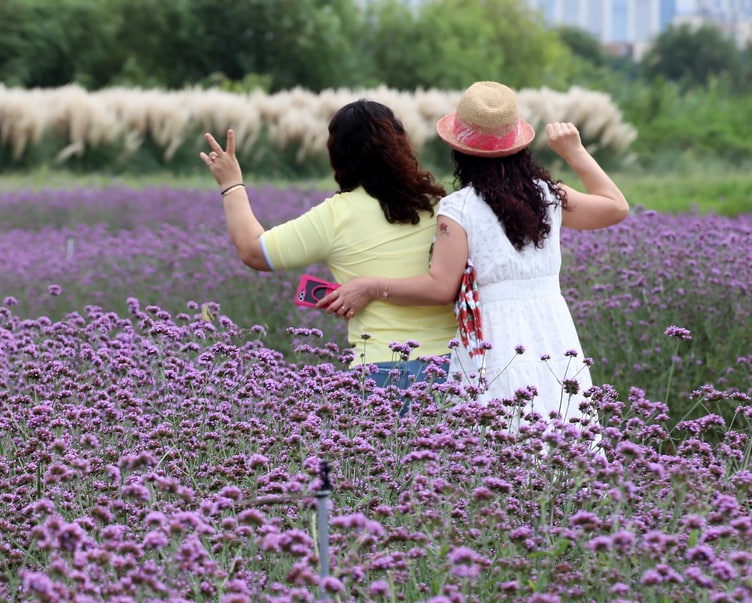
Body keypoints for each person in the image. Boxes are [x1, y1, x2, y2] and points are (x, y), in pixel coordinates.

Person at [320, 81, 629, 426]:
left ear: (460, 149)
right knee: (560, 425)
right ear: (519, 144)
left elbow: (441, 288)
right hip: (552, 330)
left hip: (494, 337)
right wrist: (574, 151)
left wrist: (372, 286)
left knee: (501, 438)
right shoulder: (547, 196)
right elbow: (615, 207)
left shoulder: (459, 208)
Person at [201, 100, 456, 394]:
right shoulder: (443, 208)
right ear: (402, 144)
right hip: (453, 370)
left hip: (381, 372)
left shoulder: (336, 216)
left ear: (337, 155)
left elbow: (254, 251)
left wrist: (232, 184)